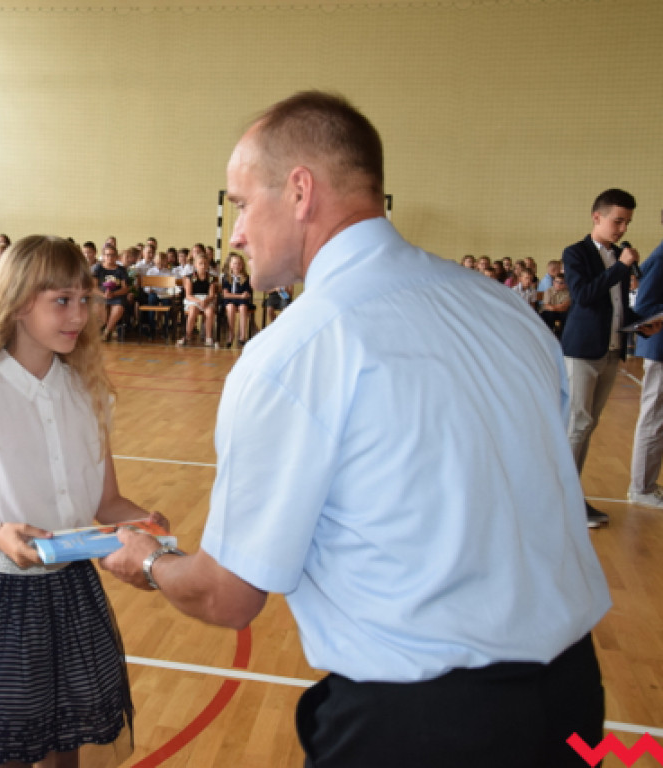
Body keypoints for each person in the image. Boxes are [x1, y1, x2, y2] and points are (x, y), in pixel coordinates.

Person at [102, 91, 611, 768]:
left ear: (301, 191)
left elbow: (227, 596)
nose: (236, 234)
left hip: (425, 725)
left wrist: (149, 561)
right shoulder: (504, 312)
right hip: (575, 702)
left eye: (241, 203)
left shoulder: (299, 351)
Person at [0, 235, 161, 768]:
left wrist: (143, 522)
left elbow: (108, 502)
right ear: (21, 303)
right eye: (62, 300)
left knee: (64, 748)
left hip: (72, 590)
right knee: (7, 750)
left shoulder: (86, 393)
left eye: (85, 299)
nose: (80, 314)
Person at [560, 189, 660, 527]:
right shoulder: (576, 253)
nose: (622, 229)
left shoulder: (618, 255)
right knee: (577, 424)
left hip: (612, 349)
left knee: (588, 426)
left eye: (627, 223)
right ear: (597, 217)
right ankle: (565, 500)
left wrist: (638, 324)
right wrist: (621, 268)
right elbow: (584, 296)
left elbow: (617, 306)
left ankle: (571, 496)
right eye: (618, 221)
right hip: (582, 350)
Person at [628, 234, 663, 509]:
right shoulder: (661, 257)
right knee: (654, 418)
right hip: (660, 350)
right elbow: (644, 308)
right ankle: (641, 488)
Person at [178, 252, 218, 347]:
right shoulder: (190, 277)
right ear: (195, 265)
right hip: (194, 299)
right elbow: (188, 295)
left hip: (207, 299)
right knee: (192, 311)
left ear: (208, 265)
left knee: (209, 312)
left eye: (205, 263)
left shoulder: (211, 278)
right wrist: (199, 301)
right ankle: (187, 336)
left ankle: (208, 337)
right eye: (200, 263)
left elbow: (212, 294)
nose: (203, 266)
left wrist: (205, 301)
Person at [220, 252, 254, 347]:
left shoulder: (246, 278)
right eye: (235, 263)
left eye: (239, 263)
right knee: (230, 308)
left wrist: (244, 296)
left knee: (243, 307)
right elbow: (225, 294)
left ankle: (242, 336)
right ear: (230, 265)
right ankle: (231, 334)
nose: (237, 265)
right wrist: (240, 296)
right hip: (230, 300)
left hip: (242, 301)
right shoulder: (226, 278)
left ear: (242, 265)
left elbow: (247, 294)